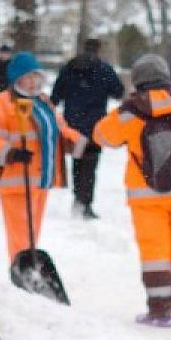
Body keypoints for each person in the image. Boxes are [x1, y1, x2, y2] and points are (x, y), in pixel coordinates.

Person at [92, 54, 171, 326]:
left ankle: (159, 309)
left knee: (154, 250)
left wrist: (125, 112)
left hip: (146, 195)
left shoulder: (130, 112)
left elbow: (101, 136)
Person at [0, 51, 83, 263]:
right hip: (16, 180)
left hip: (41, 178)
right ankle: (21, 268)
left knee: (33, 231)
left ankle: (30, 267)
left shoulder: (43, 101)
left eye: (36, 77)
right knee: (20, 234)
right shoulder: (3, 103)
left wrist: (80, 142)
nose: (32, 82)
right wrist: (10, 153)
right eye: (27, 77)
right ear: (17, 79)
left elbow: (59, 127)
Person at [50, 37, 125, 220]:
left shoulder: (70, 68)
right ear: (98, 50)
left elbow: (56, 95)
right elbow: (119, 92)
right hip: (95, 126)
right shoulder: (104, 69)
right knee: (90, 166)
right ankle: (86, 203)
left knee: (77, 162)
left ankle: (77, 198)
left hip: (73, 125)